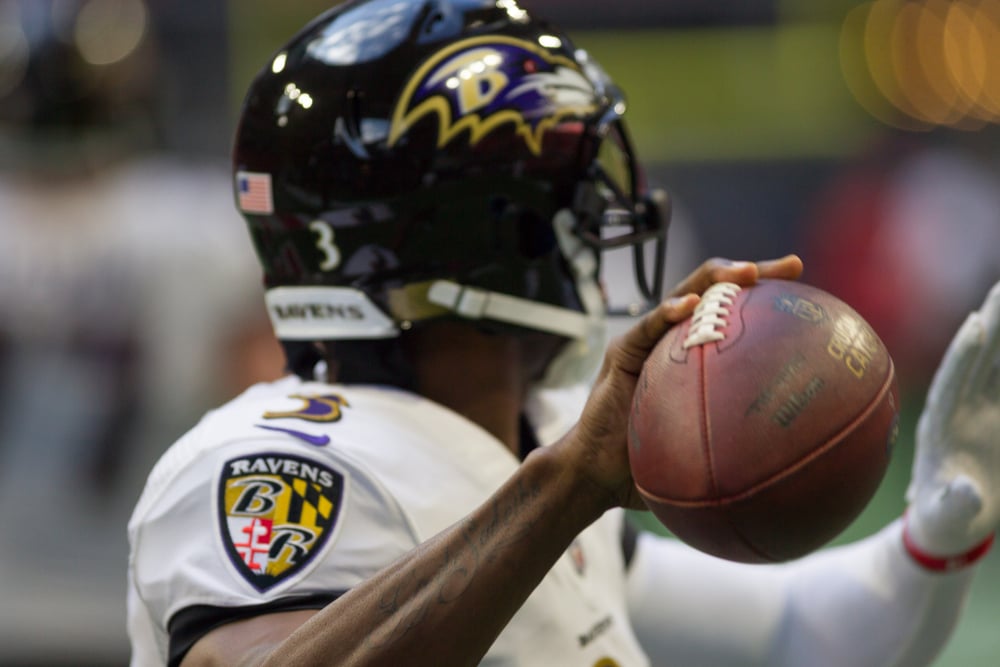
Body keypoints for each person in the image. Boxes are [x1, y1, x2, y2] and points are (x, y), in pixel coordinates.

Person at [126, 1, 1000, 665]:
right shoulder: (268, 461)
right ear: (487, 237)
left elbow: (808, 629)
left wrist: (943, 522)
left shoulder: (523, 438)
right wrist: (569, 486)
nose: (600, 224)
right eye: (576, 198)